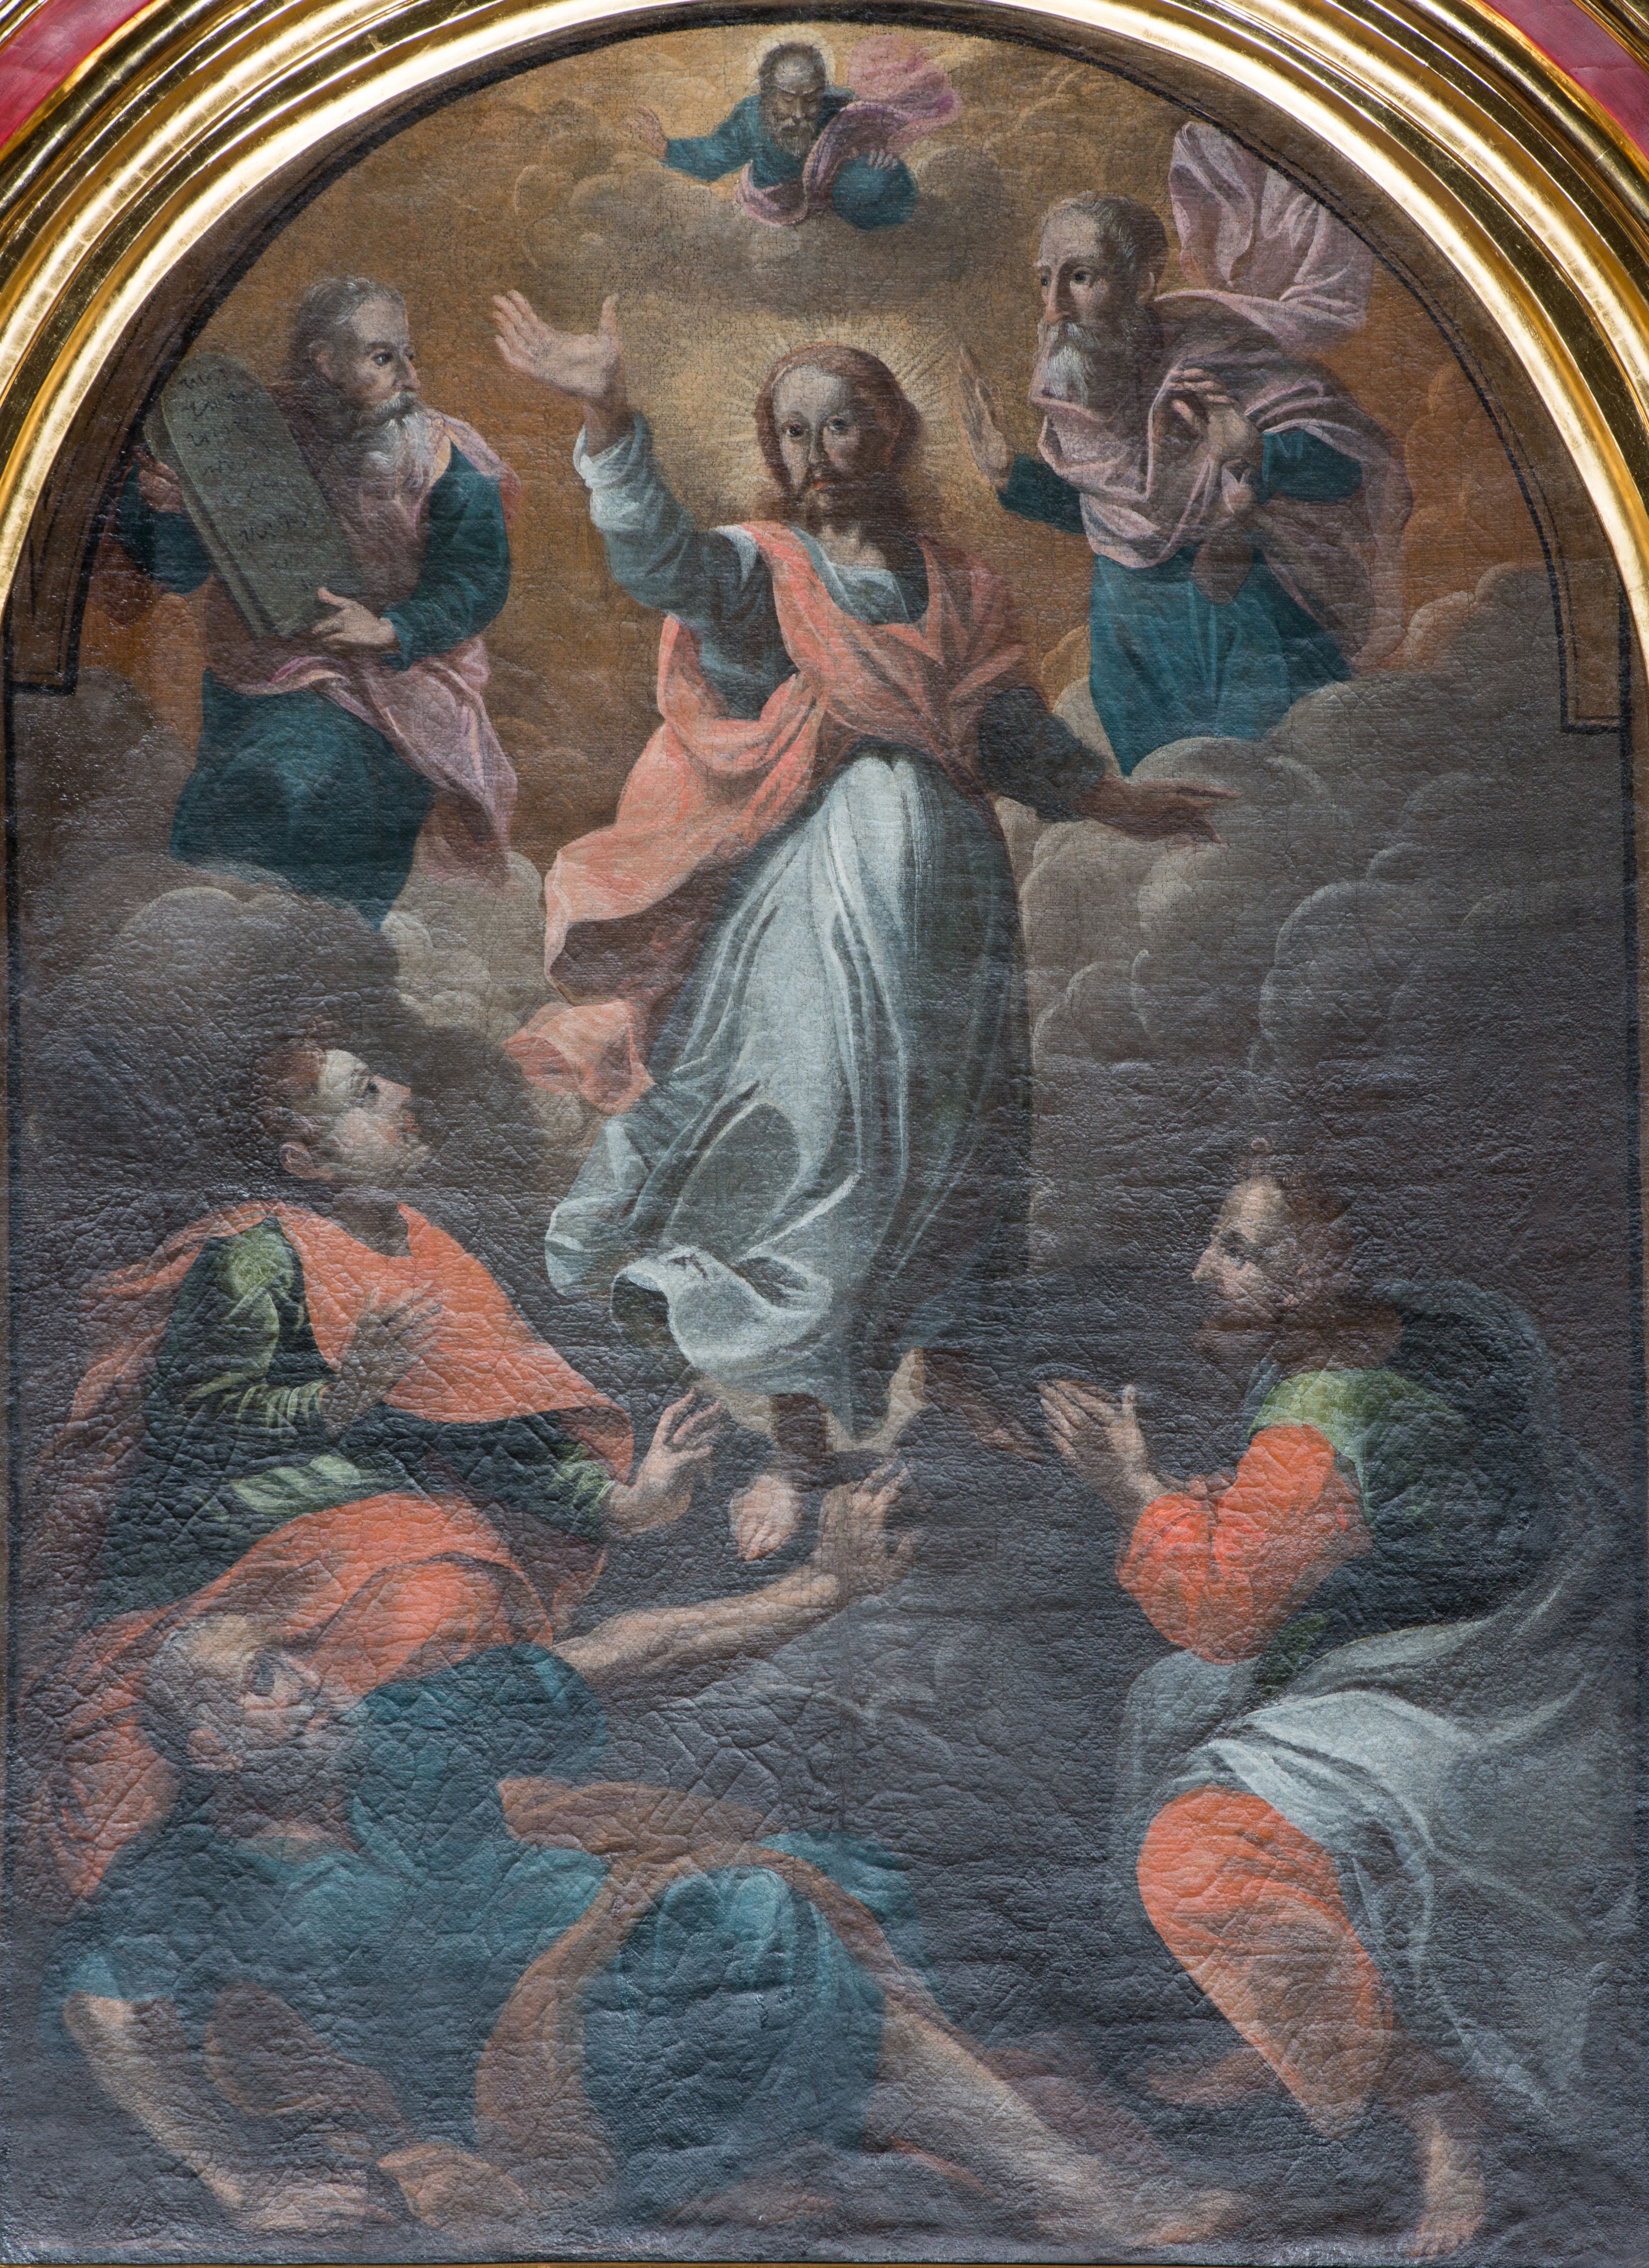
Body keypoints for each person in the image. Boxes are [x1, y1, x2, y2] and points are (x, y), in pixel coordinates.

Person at [489, 290, 1230, 1560]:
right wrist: (607, 415)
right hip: (812, 908)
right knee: (819, 1141)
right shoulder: (762, 567)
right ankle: (794, 1432)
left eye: (839, 426)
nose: (815, 453)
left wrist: (1112, 799)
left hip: (951, 906)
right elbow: (661, 561)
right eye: (793, 432)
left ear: (889, 435)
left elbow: (1006, 731)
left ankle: (949, 1360)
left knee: (956, 1138)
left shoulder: (962, 582)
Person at [45, 1481, 1242, 2249]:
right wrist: (240, 2176)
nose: (310, 1678)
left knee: (820, 1880)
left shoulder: (404, 1725)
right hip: (536, 2086)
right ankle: (1070, 2188)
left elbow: (631, 1651)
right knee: (757, 1910)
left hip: (654, 1978)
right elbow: (104, 2005)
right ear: (210, 1745)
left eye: (297, 1654)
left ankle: (801, 2155)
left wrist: (822, 1585)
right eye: (266, 1677)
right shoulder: (186, 1872)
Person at [1040, 1149, 1636, 2258]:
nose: (1202, 1268)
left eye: (1238, 1250)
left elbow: (1227, 1608)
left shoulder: (1321, 1407)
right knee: (1168, 1702)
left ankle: (1436, 2104)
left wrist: (1130, 1488)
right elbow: (1356, 1526)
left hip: (1471, 1686)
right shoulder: (1447, 1323)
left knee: (1199, 1852)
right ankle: (1294, 2017)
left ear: (1320, 1269)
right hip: (1529, 1631)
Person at [22, 1038, 726, 1907]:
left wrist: (625, 1501)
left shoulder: (434, 1252)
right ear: (307, 1160)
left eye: (381, 1077)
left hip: (381, 1526)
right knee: (436, 1595)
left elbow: (483, 1425)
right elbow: (193, 1419)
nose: (399, 1089)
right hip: (233, 1546)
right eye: (363, 1092)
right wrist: (336, 1398)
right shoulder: (259, 1252)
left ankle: (418, 1847)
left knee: (453, 1589)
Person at [957, 191, 1408, 772]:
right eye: (1046, 281)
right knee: (1165, 794)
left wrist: (1258, 450)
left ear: (1143, 283)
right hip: (1131, 642)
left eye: (1081, 277)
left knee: (1271, 794)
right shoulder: (1087, 389)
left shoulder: (1218, 356)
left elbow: (1347, 467)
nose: (1054, 309)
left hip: (1241, 626)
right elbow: (1117, 507)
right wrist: (1011, 475)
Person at [118, 277, 518, 925]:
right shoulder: (244, 428)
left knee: (341, 844)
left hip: (404, 689)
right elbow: (178, 571)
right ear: (325, 361)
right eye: (383, 357)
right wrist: (163, 507)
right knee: (241, 824)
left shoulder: (443, 455)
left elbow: (478, 578)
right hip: (262, 679)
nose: (410, 378)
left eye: (409, 355)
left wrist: (390, 629)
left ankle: (323, 969)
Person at [626, 38, 953, 232]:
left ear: (822, 93)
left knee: (874, 179)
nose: (799, 113)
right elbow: (714, 156)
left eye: (810, 99)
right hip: (776, 204)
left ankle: (892, 235)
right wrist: (666, 148)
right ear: (768, 94)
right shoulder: (751, 118)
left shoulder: (836, 106)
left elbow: (869, 124)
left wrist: (879, 153)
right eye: (787, 99)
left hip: (831, 196)